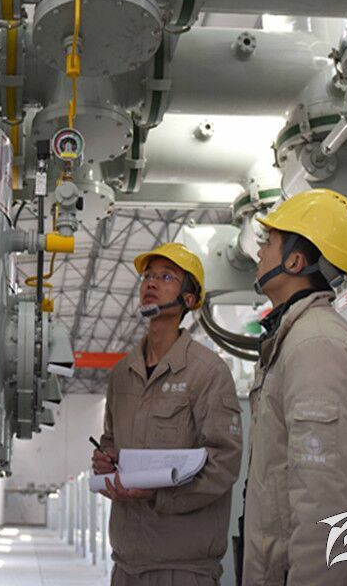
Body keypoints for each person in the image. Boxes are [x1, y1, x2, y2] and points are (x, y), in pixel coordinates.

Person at [240, 188, 347, 585]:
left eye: (269, 242)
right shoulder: (297, 339)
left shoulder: (316, 346)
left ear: (295, 261)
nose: (259, 252)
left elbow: (324, 502)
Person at [93, 242, 243, 586]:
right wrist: (105, 460)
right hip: (125, 566)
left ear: (188, 299)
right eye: (148, 275)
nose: (151, 282)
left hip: (183, 569)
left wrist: (159, 496)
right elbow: (111, 441)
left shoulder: (207, 372)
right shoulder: (122, 374)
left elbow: (224, 464)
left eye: (166, 277)